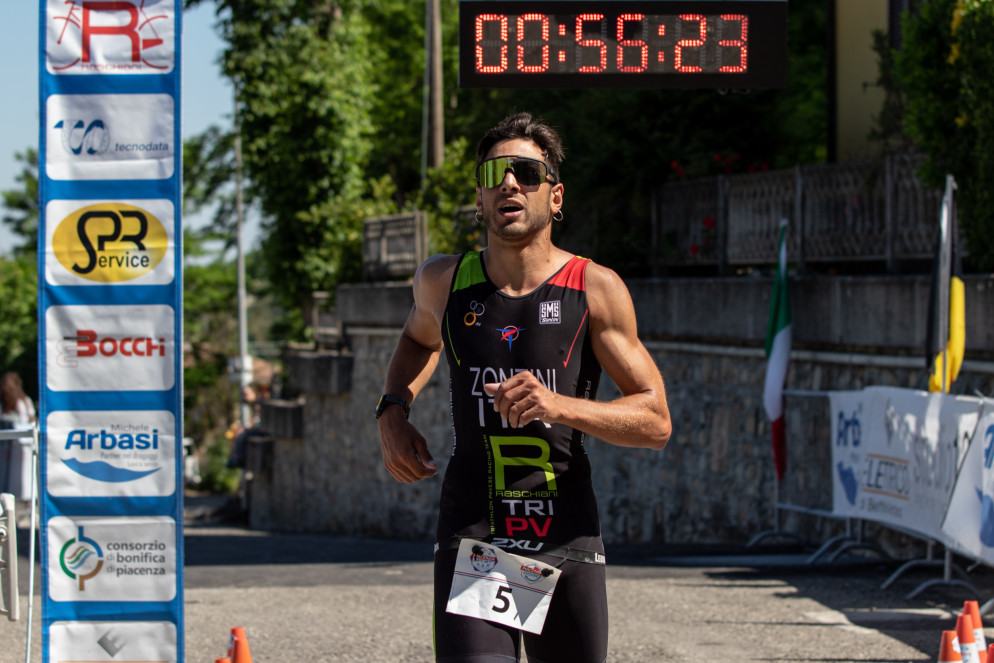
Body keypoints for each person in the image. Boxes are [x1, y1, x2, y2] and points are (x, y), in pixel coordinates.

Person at [376, 112, 672, 662]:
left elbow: (655, 422)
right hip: (477, 537)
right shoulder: (443, 282)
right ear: (480, 199)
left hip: (565, 538)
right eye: (494, 175)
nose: (509, 183)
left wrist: (559, 405)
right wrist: (393, 408)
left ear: (555, 196)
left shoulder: (594, 288)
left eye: (526, 173)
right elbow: (418, 339)